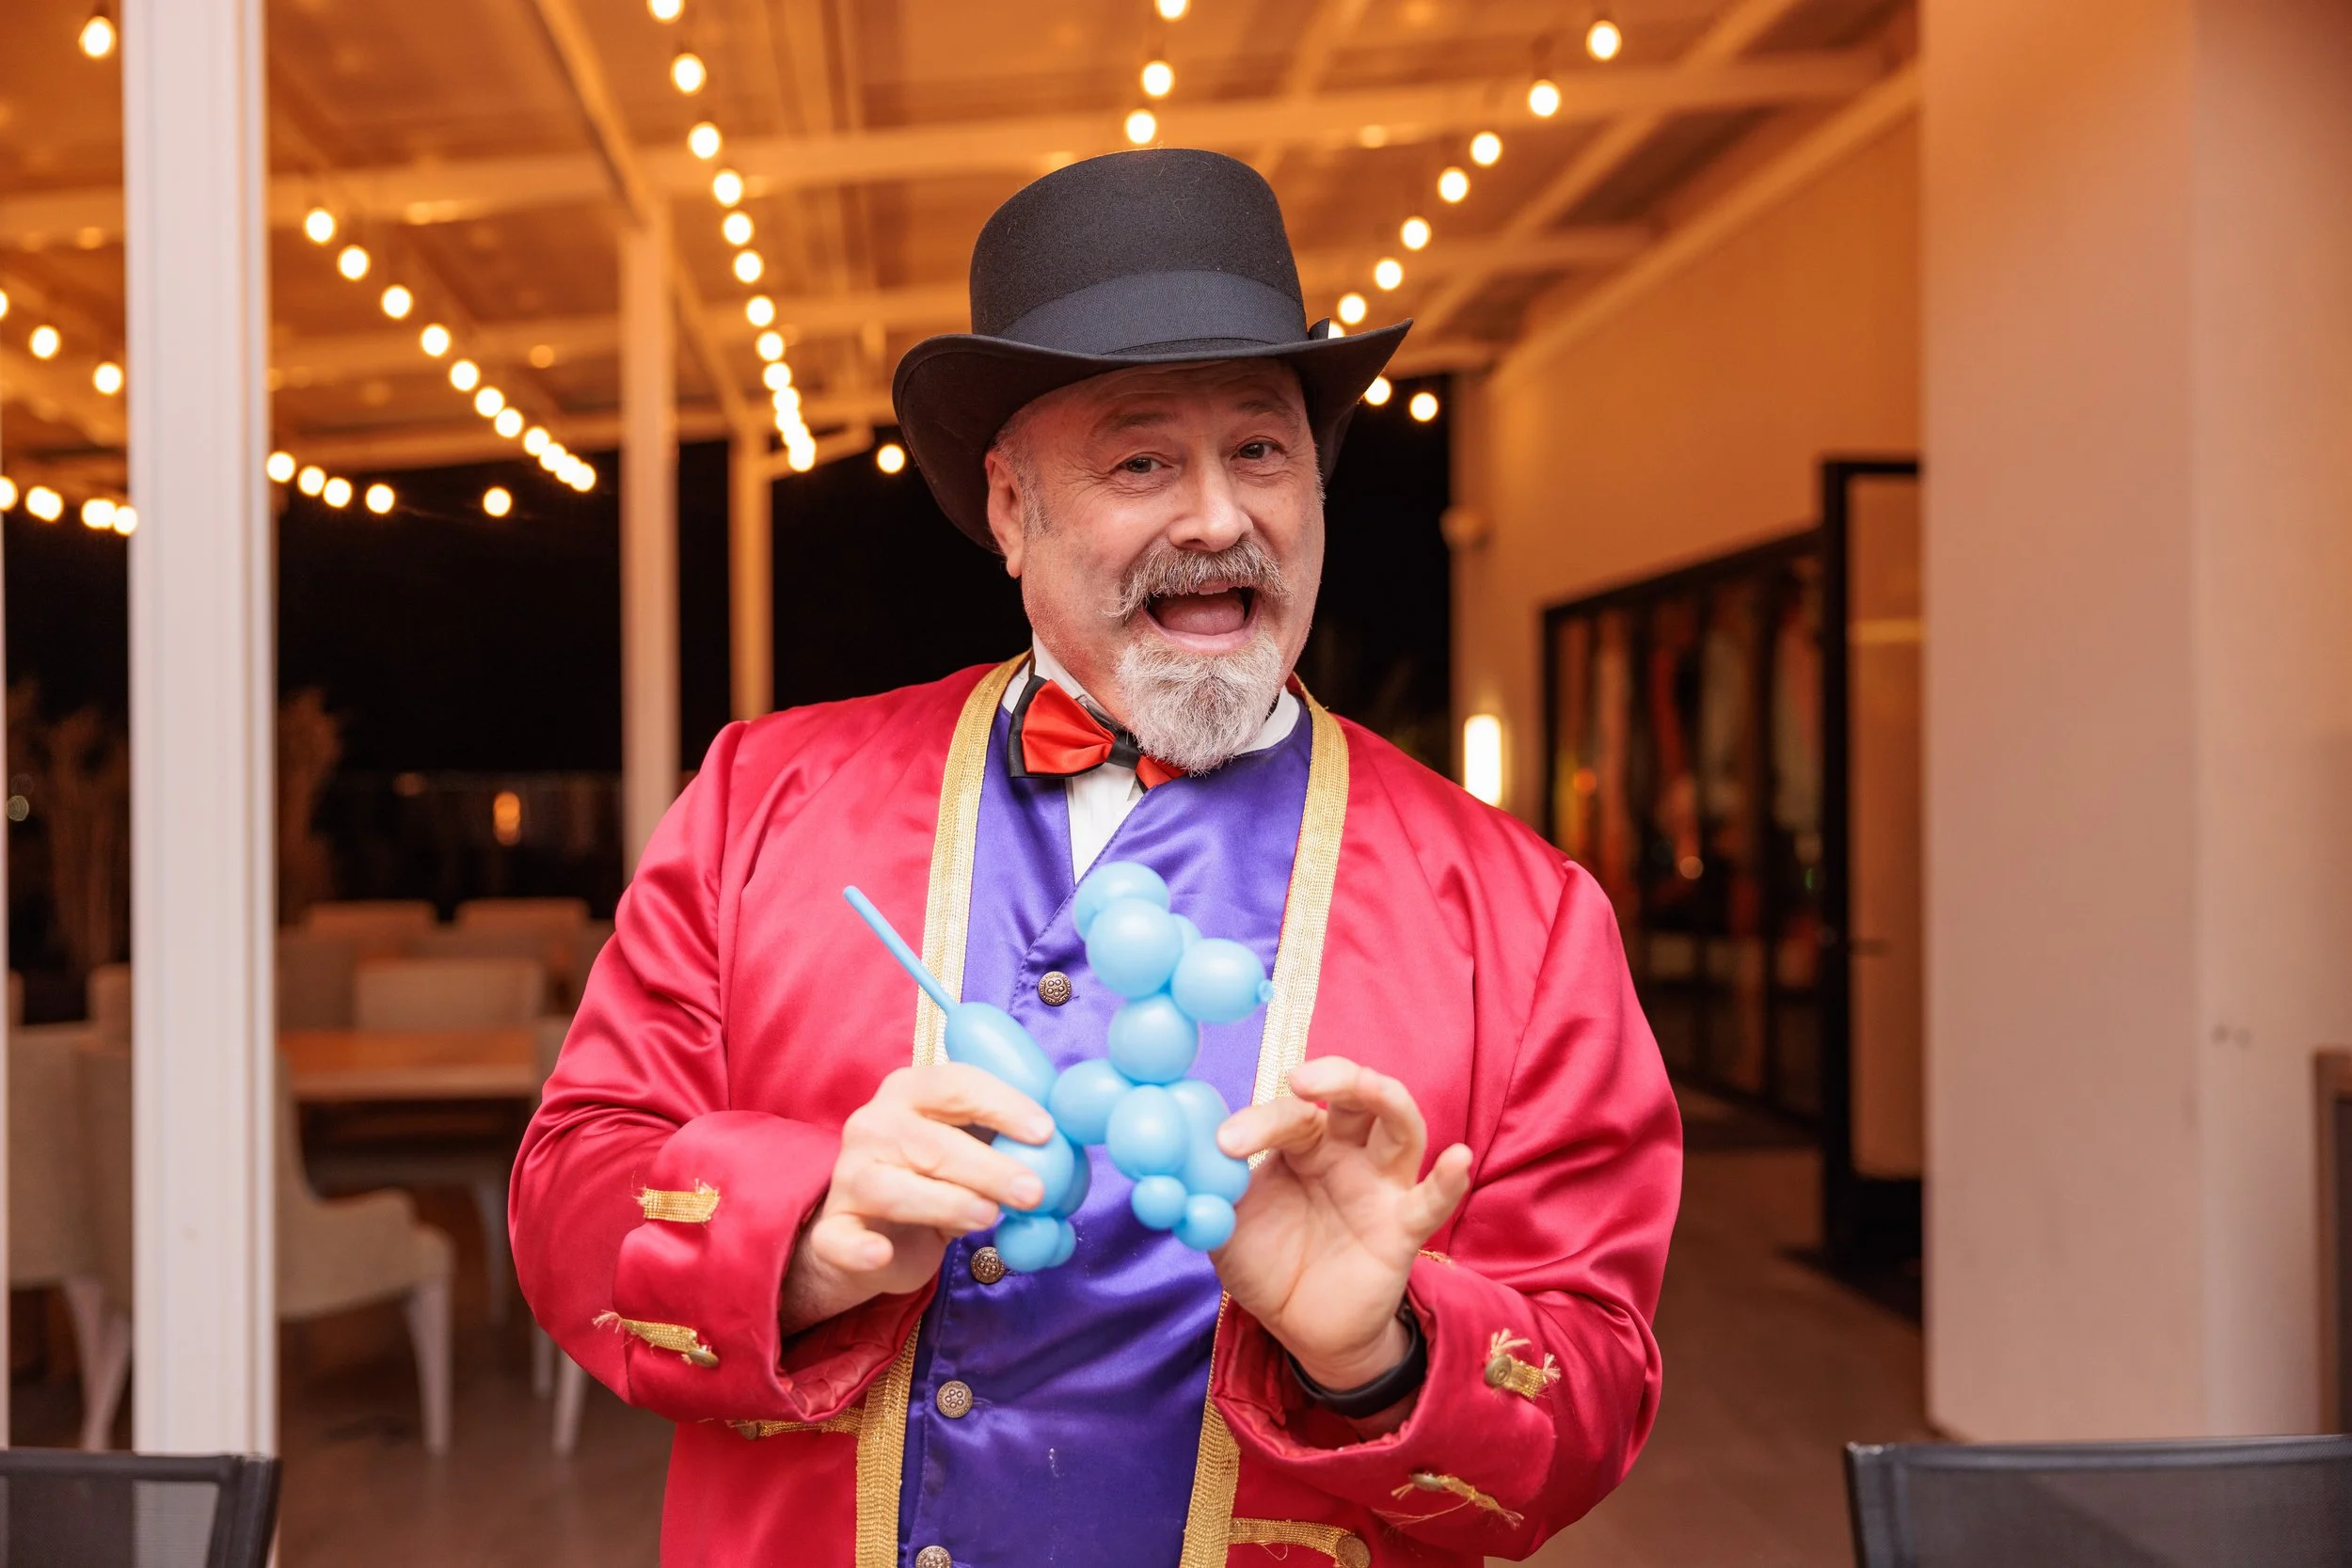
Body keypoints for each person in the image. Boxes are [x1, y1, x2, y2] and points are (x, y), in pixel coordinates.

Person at [512, 148, 1680, 1568]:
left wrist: (1377, 1351)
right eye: (1141, 458)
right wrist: (807, 1237)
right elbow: (571, 1187)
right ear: (1011, 509)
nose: (1216, 516)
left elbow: (1592, 1395)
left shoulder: (1525, 912)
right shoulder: (764, 802)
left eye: (1260, 449)